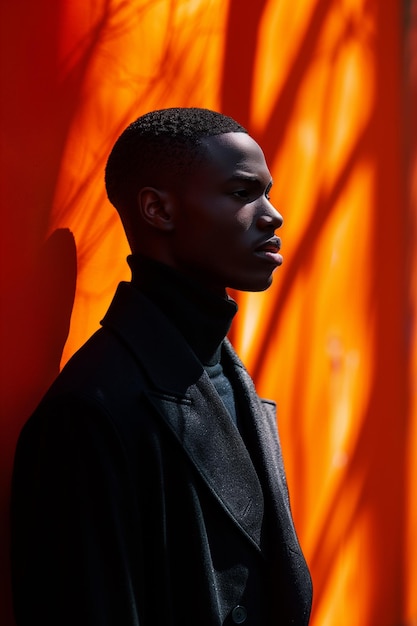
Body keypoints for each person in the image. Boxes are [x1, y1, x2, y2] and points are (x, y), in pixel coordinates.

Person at [11, 107, 312, 625]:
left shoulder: (226, 376)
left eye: (268, 191)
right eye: (243, 193)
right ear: (158, 209)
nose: (273, 214)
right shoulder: (90, 412)